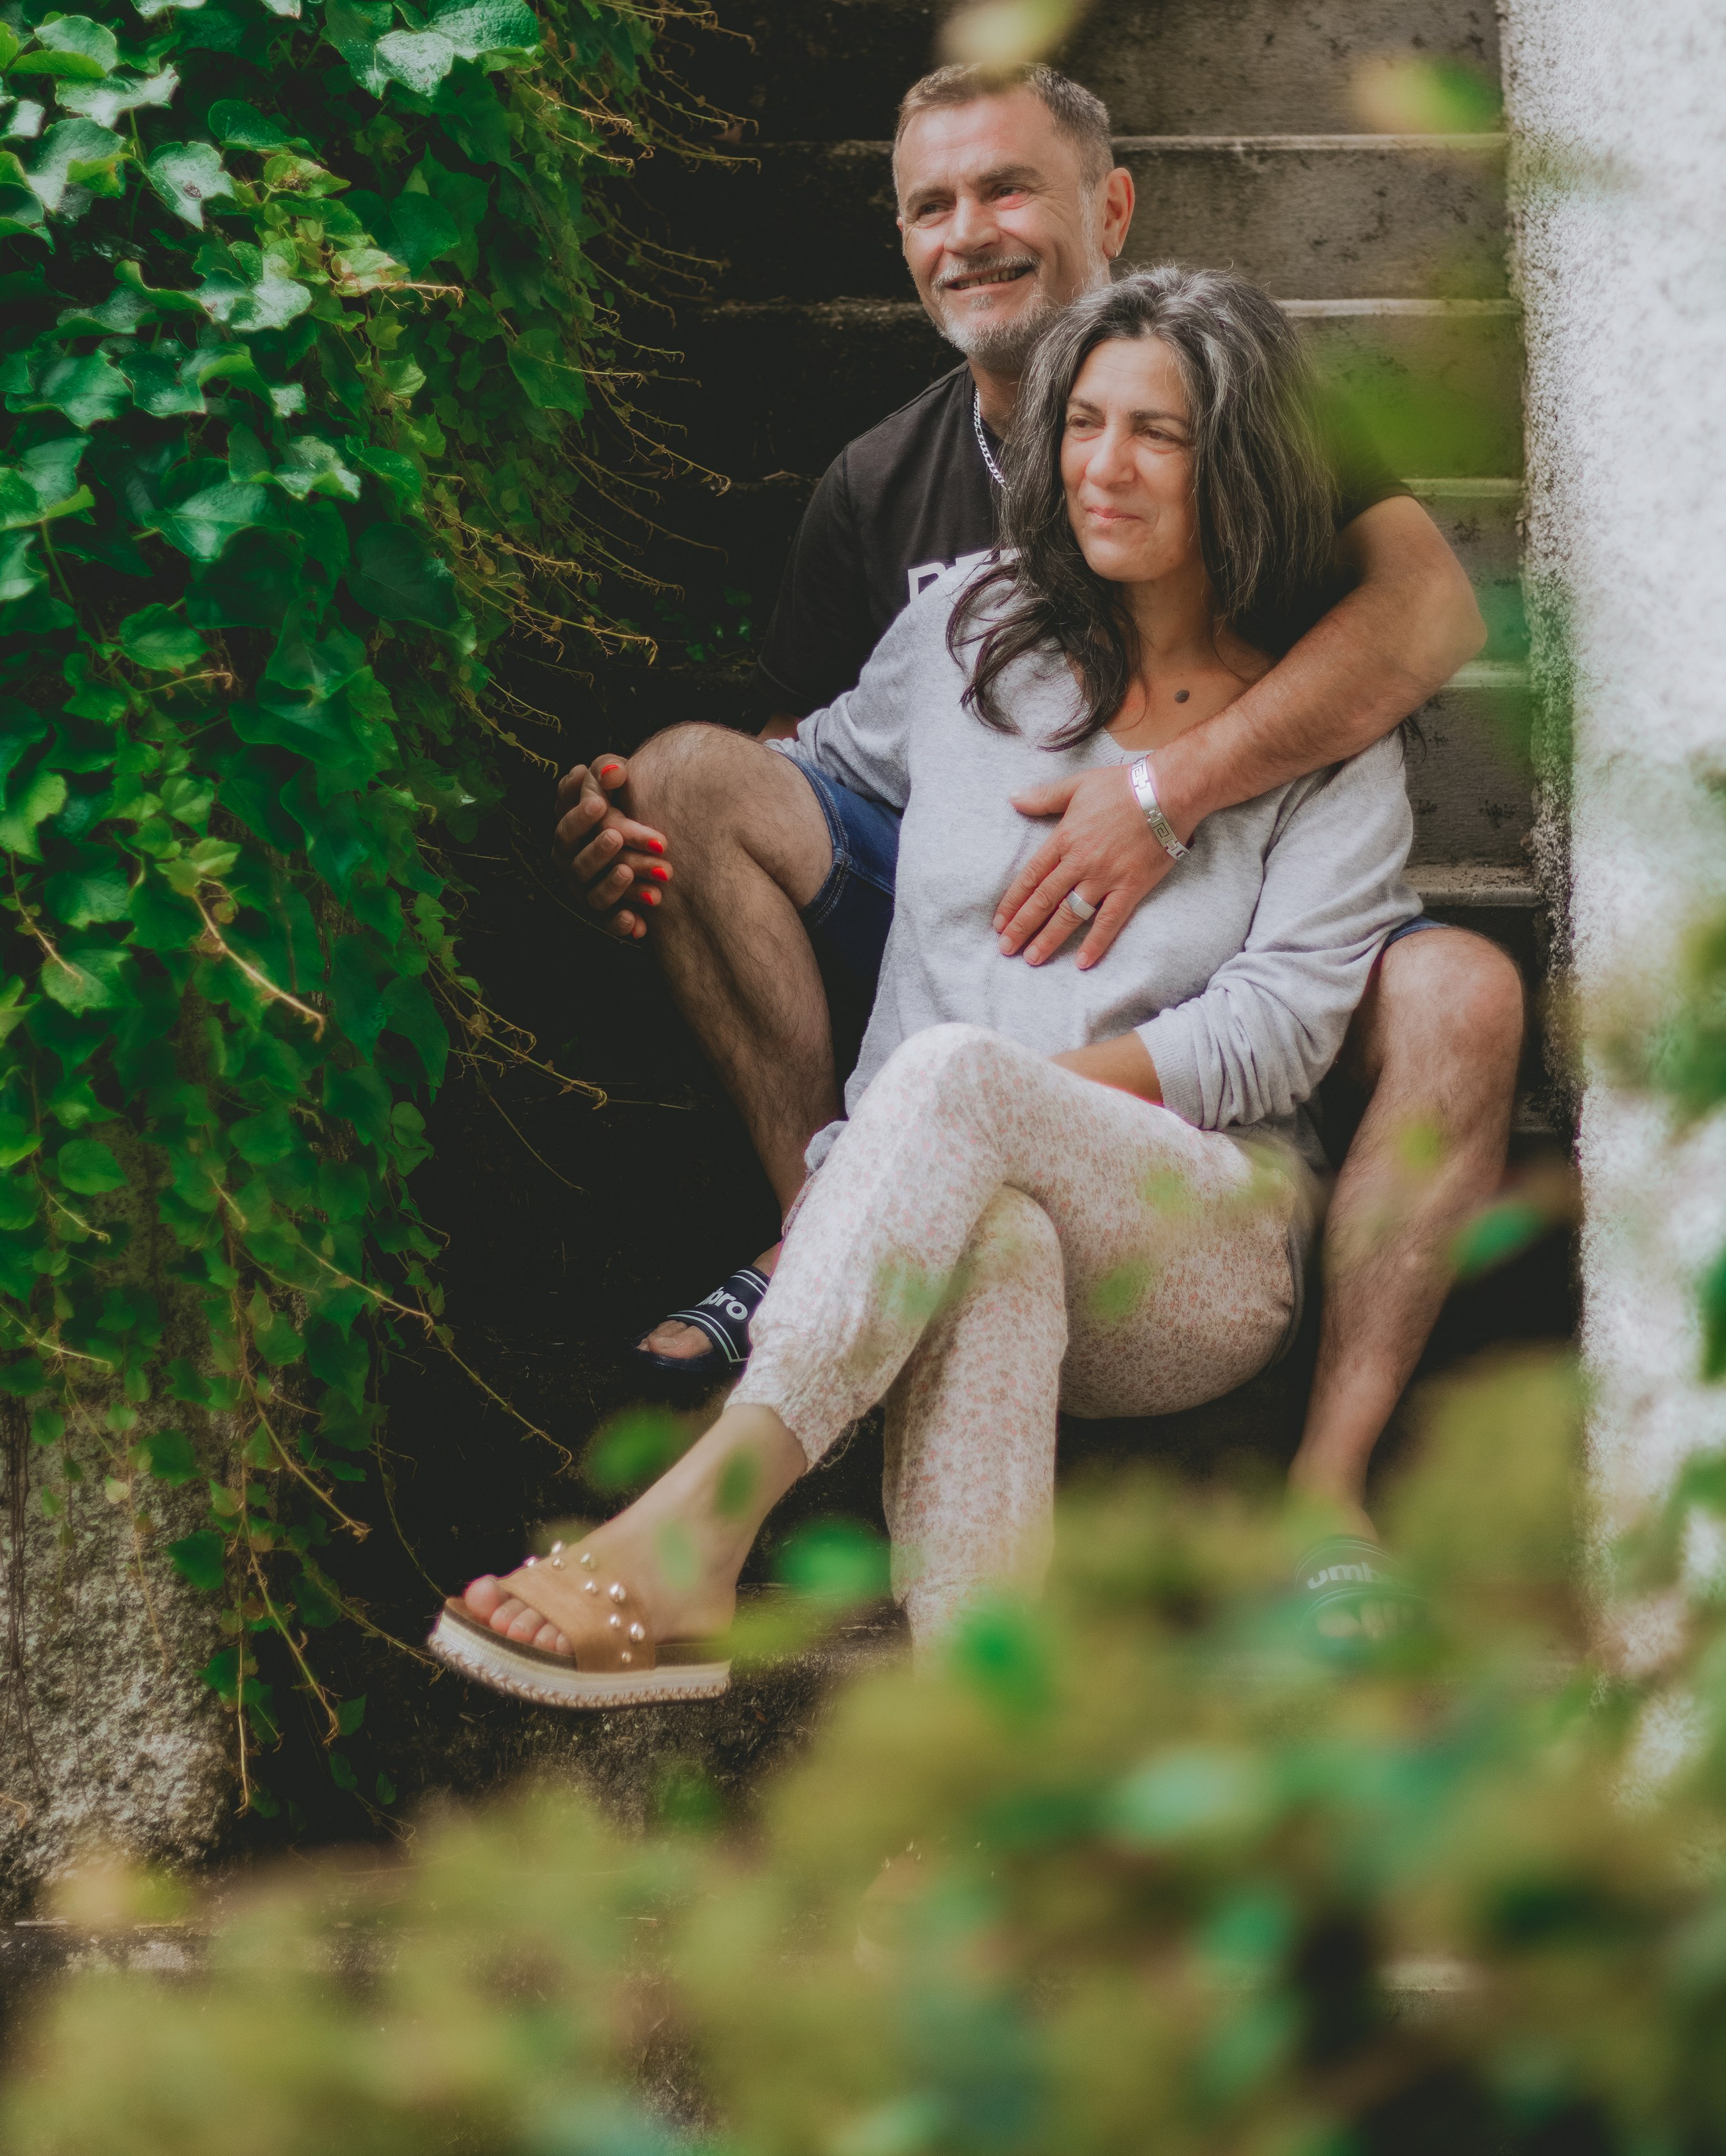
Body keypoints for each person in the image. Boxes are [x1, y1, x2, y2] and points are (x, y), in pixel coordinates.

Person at [432, 269, 1425, 1706]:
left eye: (1158, 433)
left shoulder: (1322, 735)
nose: (1103, 465)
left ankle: (697, 1531)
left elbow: (1275, 1034)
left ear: (1246, 465)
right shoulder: (970, 627)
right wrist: (629, 824)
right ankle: (982, 1743)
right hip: (962, 1215)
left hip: (1202, 1239)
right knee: (993, 1235)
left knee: (951, 1082)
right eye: (1083, 422)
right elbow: (810, 774)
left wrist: (977, 1113)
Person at [554, 63, 1523, 1535]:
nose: (968, 234)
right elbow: (814, 756)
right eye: (929, 206)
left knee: (1461, 990)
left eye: (1007, 188)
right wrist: (637, 819)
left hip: (1227, 909)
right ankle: (829, 1226)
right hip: (976, 924)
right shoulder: (890, 504)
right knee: (693, 778)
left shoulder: (1243, 390)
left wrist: (1164, 792)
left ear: (1110, 207)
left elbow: (1427, 617)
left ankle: (1327, 1489)